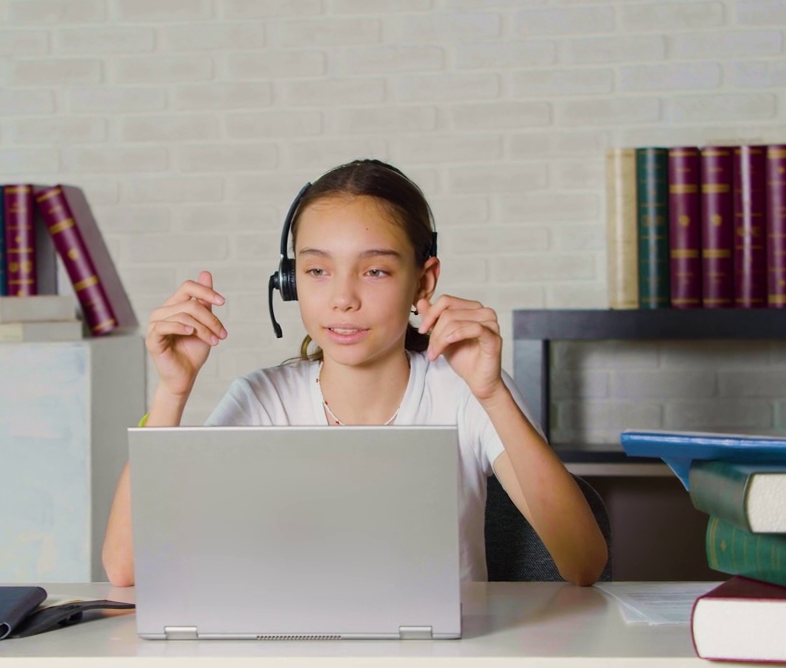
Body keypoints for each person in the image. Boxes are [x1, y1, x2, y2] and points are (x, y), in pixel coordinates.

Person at [101, 159, 607, 587]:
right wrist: (173, 391)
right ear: (290, 281)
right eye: (317, 270)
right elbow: (124, 569)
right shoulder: (263, 399)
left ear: (422, 282)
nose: (343, 298)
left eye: (376, 270)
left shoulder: (464, 391)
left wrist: (493, 393)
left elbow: (583, 565)